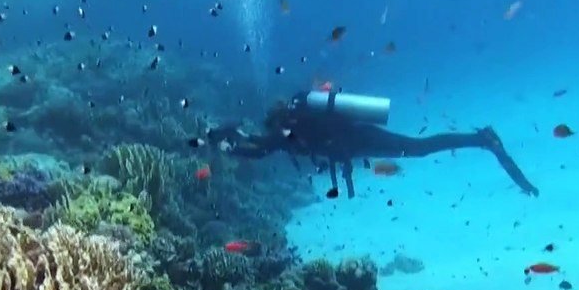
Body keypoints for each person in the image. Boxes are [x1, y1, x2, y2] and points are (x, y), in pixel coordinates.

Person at [209, 91, 539, 198]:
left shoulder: (293, 128)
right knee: (418, 148)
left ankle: (481, 139)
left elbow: (262, 147)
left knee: (418, 148)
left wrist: (228, 145)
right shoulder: (293, 127)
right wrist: (233, 143)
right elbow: (262, 147)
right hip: (357, 142)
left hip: (361, 139)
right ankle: (480, 140)